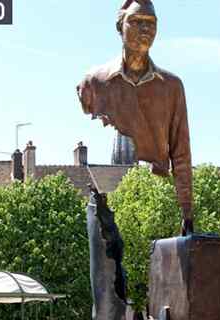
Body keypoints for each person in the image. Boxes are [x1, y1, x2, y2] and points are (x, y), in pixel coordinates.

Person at [77, 0, 194, 235]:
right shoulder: (93, 84)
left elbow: (181, 154)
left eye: (151, 23)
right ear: (121, 26)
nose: (145, 29)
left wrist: (187, 213)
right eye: (136, 21)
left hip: (154, 196)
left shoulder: (171, 87)